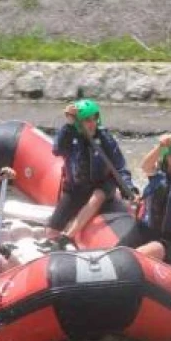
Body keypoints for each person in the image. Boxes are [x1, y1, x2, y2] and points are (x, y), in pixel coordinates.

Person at [44, 96, 135, 249]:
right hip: (76, 189)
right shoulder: (70, 135)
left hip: (102, 186)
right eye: (87, 120)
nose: (92, 124)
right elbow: (56, 149)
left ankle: (68, 236)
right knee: (51, 232)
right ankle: (63, 237)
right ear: (79, 122)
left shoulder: (105, 138)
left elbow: (119, 166)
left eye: (94, 119)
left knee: (97, 196)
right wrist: (69, 125)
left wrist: (129, 189)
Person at [121, 133, 171, 263]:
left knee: (129, 259)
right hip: (143, 231)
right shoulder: (157, 172)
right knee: (117, 253)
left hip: (168, 241)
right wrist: (160, 147)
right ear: (166, 156)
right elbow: (145, 166)